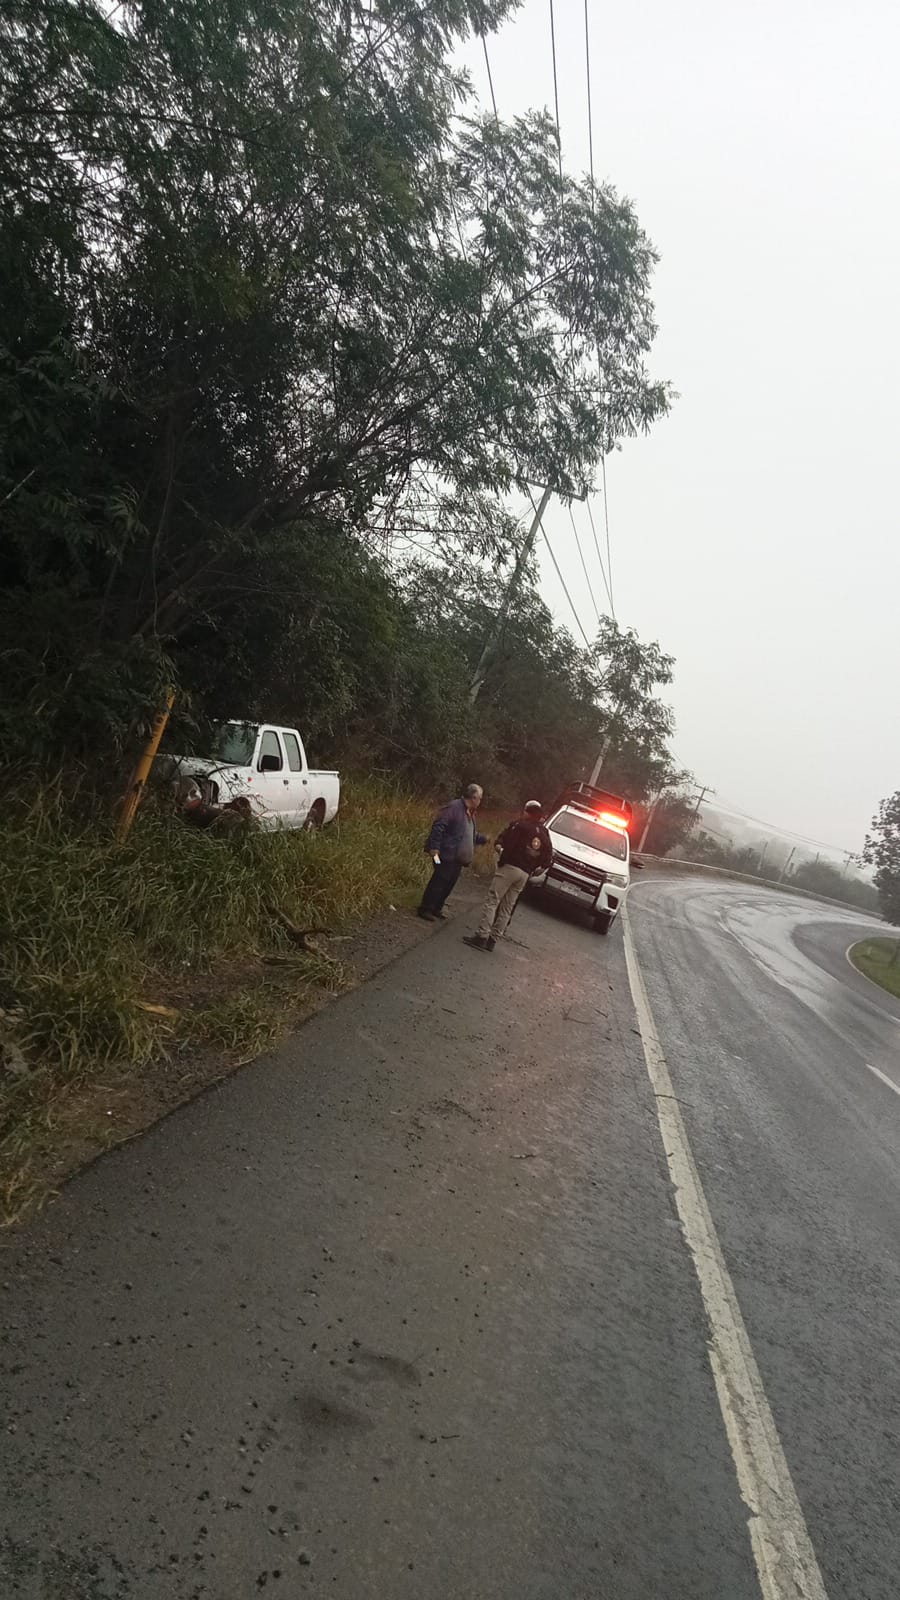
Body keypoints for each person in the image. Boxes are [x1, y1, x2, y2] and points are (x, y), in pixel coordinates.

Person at [464, 800, 553, 952]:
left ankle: (482, 935)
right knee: (507, 907)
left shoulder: (520, 826)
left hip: (510, 867)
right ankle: (493, 940)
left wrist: (501, 857)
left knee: (493, 900)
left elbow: (508, 845)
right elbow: (548, 858)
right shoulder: (544, 833)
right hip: (525, 874)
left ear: (527, 812)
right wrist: (536, 869)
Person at [418, 783, 487, 921]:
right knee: (439, 880)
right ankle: (426, 908)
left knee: (449, 883)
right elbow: (439, 826)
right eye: (480, 798)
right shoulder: (454, 807)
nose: (480, 801)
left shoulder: (469, 813)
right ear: (473, 797)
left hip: (457, 859)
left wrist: (482, 839)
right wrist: (434, 847)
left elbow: (466, 834)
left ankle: (437, 908)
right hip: (443, 854)